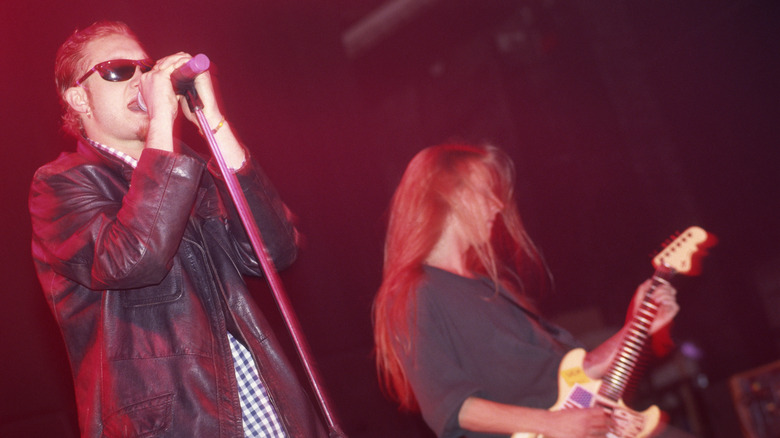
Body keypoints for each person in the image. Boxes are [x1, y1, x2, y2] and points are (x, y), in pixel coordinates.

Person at [29, 21, 327, 437]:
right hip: (172, 424)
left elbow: (274, 251)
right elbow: (134, 259)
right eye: (119, 70)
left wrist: (215, 121)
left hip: (263, 412)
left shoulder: (192, 173)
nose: (142, 79)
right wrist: (163, 119)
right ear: (79, 97)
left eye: (146, 67)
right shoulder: (61, 185)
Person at [372, 143, 683, 438]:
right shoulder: (415, 292)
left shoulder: (494, 289)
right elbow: (451, 407)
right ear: (450, 195)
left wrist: (638, 324)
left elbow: (576, 371)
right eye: (486, 193)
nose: (498, 205)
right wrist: (552, 424)